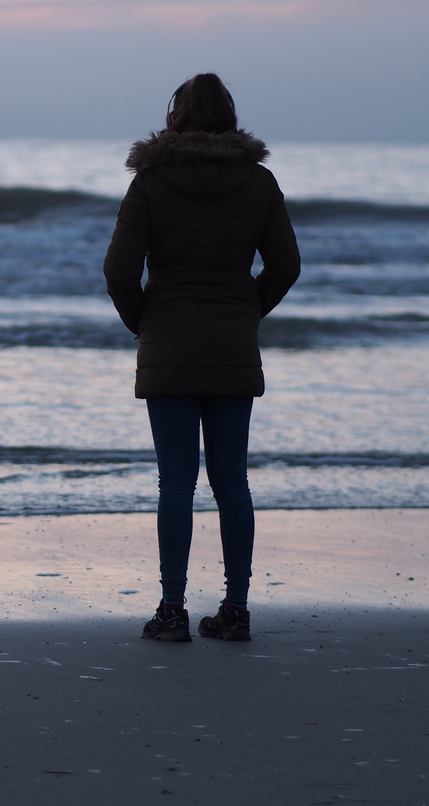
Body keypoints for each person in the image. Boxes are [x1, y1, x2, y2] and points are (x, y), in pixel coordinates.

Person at [104, 73, 300, 643]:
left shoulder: (150, 183)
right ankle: (235, 610)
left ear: (176, 117)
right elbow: (285, 266)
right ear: (230, 116)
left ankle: (172, 611)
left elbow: (119, 272)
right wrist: (245, 312)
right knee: (231, 481)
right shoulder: (258, 182)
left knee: (175, 483)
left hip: (169, 340)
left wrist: (146, 322)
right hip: (232, 342)